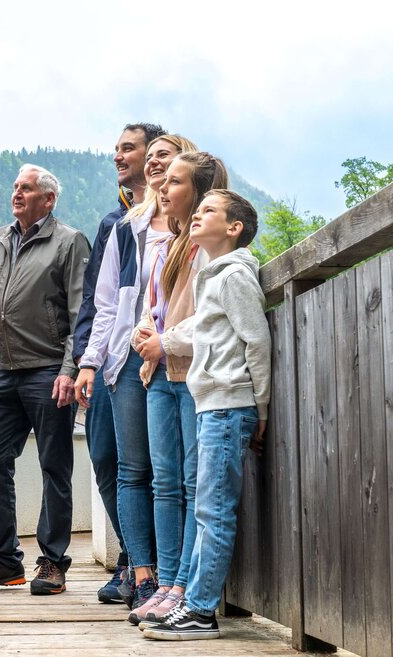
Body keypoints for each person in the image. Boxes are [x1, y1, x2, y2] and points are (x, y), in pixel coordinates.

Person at [75, 134, 198, 610]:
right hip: (128, 357)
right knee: (132, 467)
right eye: (148, 159)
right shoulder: (128, 226)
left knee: (174, 471)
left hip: (177, 358)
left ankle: (177, 579)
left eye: (161, 156)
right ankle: (143, 573)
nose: (151, 164)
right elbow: (105, 302)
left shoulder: (197, 226)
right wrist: (91, 361)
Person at [143, 190, 270, 640]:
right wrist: (164, 337)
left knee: (214, 511)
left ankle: (199, 612)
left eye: (209, 211)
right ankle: (194, 604)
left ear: (234, 228)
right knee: (206, 509)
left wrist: (261, 408)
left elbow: (256, 340)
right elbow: (201, 327)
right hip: (210, 404)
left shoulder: (234, 275)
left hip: (228, 405)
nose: (197, 215)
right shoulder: (213, 276)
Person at [0, 164, 91, 595]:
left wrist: (70, 369)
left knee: (55, 466)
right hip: (4, 375)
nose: (17, 193)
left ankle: (52, 563)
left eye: (27, 188)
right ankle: (4, 560)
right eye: (15, 186)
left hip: (51, 372)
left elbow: (80, 314)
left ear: (48, 199)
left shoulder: (69, 242)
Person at [128, 152, 229, 625]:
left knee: (191, 485)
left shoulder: (207, 246)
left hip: (190, 376)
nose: (162, 190)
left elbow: (205, 316)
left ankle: (185, 587)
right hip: (157, 375)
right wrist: (143, 333)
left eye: (174, 182)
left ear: (201, 191)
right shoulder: (168, 246)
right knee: (164, 485)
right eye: (162, 182)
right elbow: (154, 307)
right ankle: (167, 582)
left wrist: (162, 341)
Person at [72, 123, 166, 605]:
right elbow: (97, 301)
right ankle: (134, 559)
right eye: (117, 148)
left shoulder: (177, 221)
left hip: (158, 355)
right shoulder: (115, 224)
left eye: (127, 147)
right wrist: (81, 363)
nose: (117, 156)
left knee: (157, 467)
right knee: (108, 458)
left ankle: (144, 568)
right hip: (112, 361)